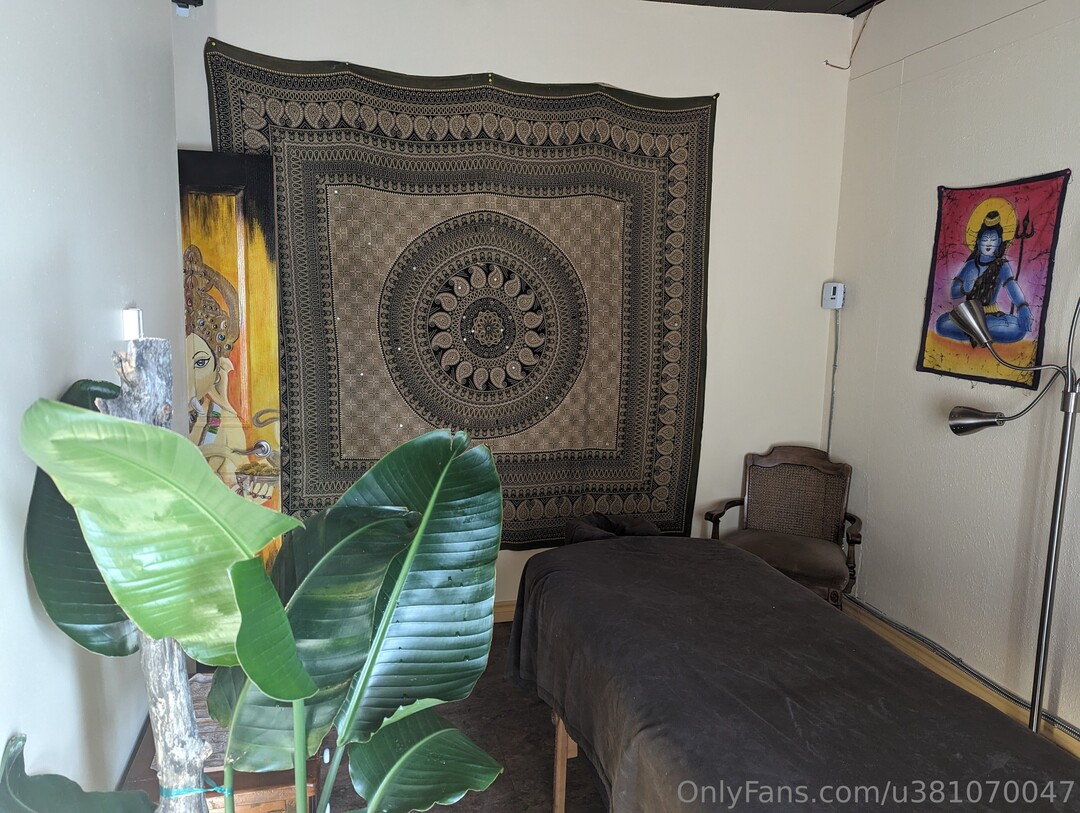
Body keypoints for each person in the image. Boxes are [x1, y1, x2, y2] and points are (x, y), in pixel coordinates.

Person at [184, 245, 274, 502]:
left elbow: (234, 489)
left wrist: (254, 492)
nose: (189, 375)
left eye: (201, 363)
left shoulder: (222, 422)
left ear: (218, 369)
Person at [936, 203, 1032, 344]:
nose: (988, 243)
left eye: (993, 240)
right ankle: (979, 331)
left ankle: (975, 331)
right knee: (941, 324)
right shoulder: (970, 265)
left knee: (1018, 328)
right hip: (969, 314)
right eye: (985, 240)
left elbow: (1012, 286)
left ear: (999, 242)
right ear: (978, 241)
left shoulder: (1002, 265)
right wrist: (964, 287)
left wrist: (1022, 306)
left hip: (990, 317)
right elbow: (954, 293)